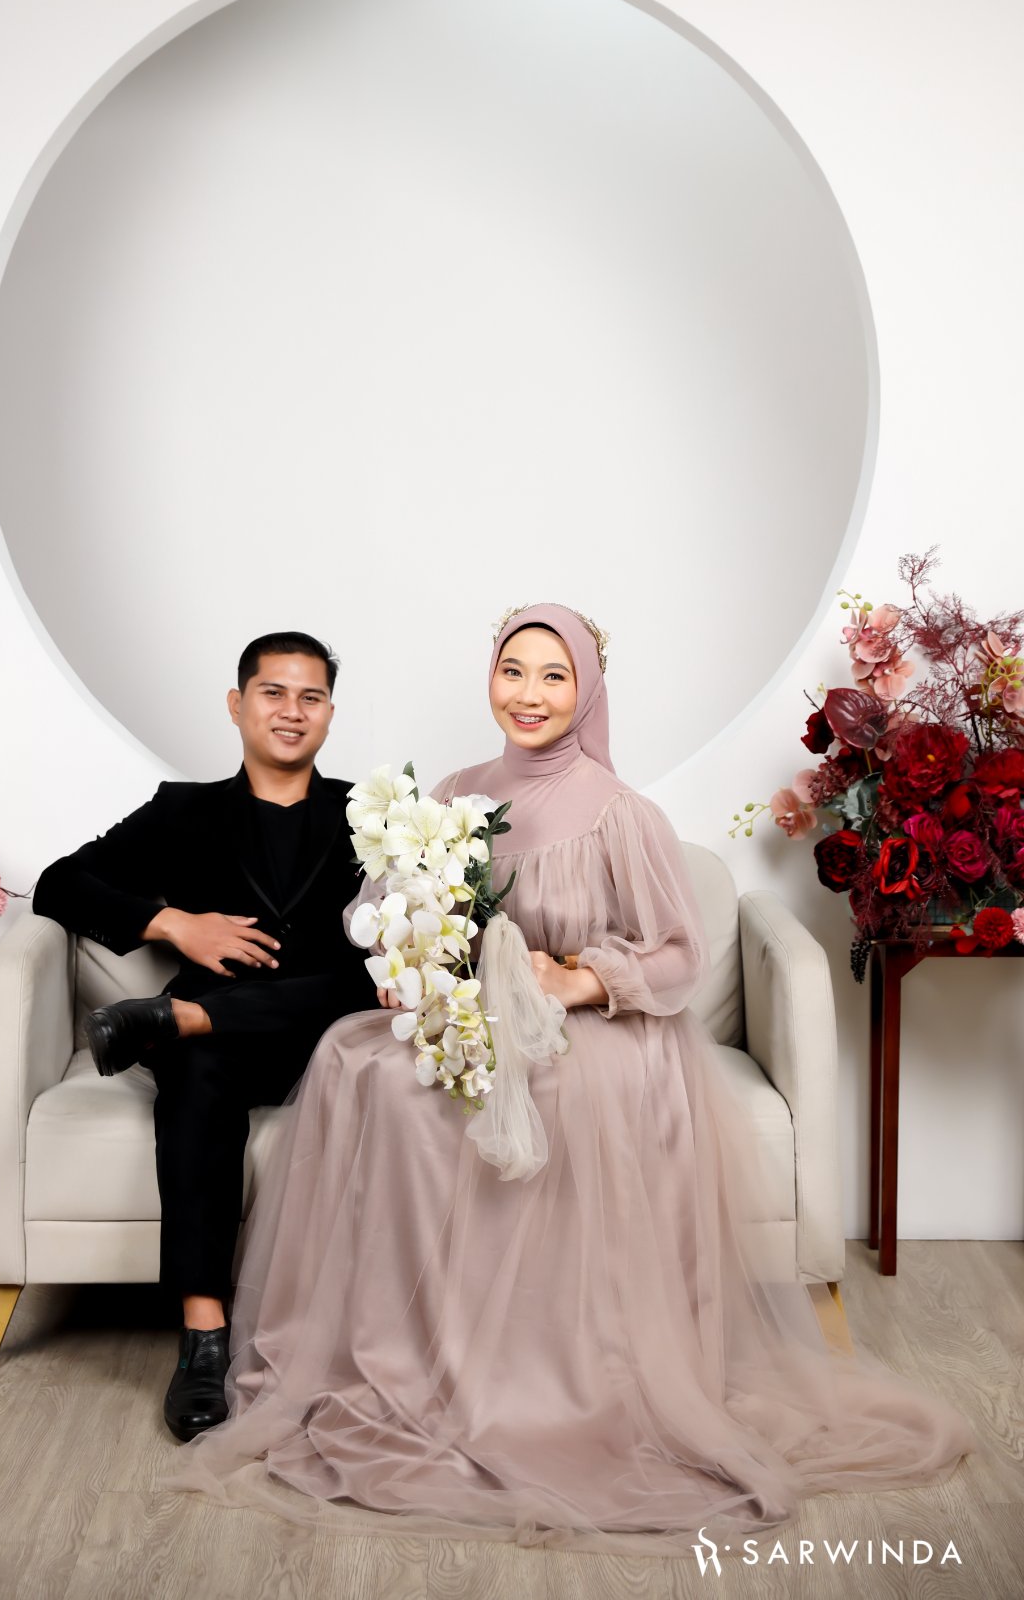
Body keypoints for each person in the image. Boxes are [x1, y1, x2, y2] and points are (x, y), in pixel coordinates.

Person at [161, 603, 978, 1556]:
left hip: (594, 1031)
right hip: (476, 1018)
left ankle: (538, 1372)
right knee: (361, 1062)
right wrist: (404, 953)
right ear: (491, 678)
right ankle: (403, 1353)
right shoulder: (455, 796)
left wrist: (579, 980)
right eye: (513, 670)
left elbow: (678, 955)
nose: (530, 694)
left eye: (554, 676)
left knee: (536, 1092)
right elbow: (387, 908)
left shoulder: (619, 811)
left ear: (585, 690)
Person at [31, 630, 372, 1443]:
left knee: (364, 980)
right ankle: (203, 1338)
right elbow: (58, 883)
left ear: (330, 713)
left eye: (312, 697)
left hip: (330, 1033)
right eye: (273, 692)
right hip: (226, 1043)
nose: (292, 711)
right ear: (237, 703)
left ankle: (176, 1018)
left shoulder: (373, 813)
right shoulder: (181, 811)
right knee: (194, 1070)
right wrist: (173, 923)